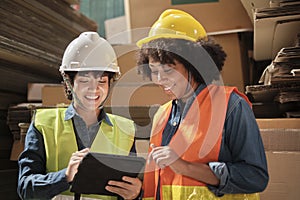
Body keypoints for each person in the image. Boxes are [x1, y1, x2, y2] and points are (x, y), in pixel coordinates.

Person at [136, 9, 269, 200]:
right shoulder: (161, 115)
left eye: (168, 70)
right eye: (154, 71)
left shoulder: (231, 106)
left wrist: (187, 167)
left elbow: (255, 177)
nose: (159, 79)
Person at [17, 32, 142, 200]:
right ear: (69, 82)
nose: (94, 89)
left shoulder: (125, 130)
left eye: (101, 81)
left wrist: (136, 194)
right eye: (84, 80)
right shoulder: (43, 124)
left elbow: (124, 190)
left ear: (110, 83)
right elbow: (26, 188)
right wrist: (65, 176)